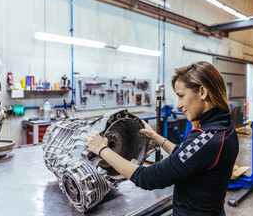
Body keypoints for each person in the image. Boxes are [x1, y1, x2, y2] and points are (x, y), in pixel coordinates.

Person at [85, 61, 239, 216]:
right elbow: (187, 157)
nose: (178, 105)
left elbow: (147, 178)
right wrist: (156, 137)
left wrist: (102, 149)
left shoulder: (207, 138)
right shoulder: (224, 127)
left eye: (181, 96)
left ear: (202, 92)